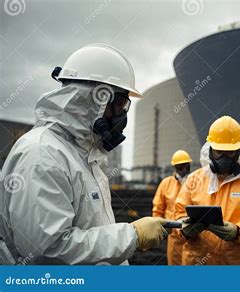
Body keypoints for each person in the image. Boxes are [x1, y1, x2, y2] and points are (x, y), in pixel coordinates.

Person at [0, 44, 170, 265]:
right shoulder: (42, 154)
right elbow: (47, 252)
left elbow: (92, 231)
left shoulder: (86, 157)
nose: (123, 114)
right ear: (97, 98)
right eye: (120, 103)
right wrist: (131, 236)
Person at [174, 116, 240, 265]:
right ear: (210, 150)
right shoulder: (194, 179)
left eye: (230, 152)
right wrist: (185, 229)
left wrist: (238, 231)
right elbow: (178, 214)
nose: (224, 157)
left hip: (236, 264)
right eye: (219, 152)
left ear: (238, 151)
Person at [152, 150, 192, 265]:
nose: (184, 169)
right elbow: (158, 208)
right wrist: (160, 227)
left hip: (194, 234)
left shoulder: (197, 181)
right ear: (175, 167)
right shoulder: (166, 184)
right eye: (180, 166)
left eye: (186, 166)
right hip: (174, 236)